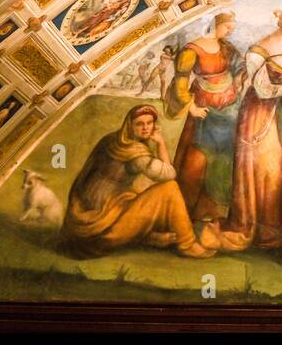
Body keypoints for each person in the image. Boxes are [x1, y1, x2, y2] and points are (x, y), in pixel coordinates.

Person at [61, 104, 216, 258]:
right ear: (130, 126)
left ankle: (149, 237)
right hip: (103, 229)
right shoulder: (134, 152)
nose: (146, 128)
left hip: (84, 221)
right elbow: (169, 175)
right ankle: (187, 244)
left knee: (140, 195)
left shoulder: (112, 140)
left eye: (149, 123)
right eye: (139, 124)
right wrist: (161, 143)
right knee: (170, 189)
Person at [165, 12, 249, 249]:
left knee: (224, 162)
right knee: (196, 163)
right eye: (227, 27)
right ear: (216, 24)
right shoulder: (192, 49)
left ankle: (213, 216)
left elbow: (240, 66)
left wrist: (240, 78)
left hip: (229, 112)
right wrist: (190, 106)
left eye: (232, 28)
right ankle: (183, 218)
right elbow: (180, 81)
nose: (230, 32)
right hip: (204, 111)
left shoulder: (226, 48)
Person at [227, 10, 282, 248]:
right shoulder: (258, 51)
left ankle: (274, 226)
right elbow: (263, 90)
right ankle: (256, 226)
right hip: (259, 113)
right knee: (263, 167)